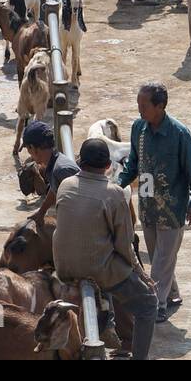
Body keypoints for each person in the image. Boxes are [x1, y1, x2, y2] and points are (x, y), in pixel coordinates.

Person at [53, 137, 157, 360]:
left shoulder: (65, 185)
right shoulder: (115, 193)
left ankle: (115, 331)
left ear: (80, 162)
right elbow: (125, 246)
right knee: (148, 303)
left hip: (63, 266)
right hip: (96, 269)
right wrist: (142, 276)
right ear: (108, 166)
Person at [119, 82, 191, 323]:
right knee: (160, 256)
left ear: (160, 106)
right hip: (147, 207)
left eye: (144, 105)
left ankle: (155, 305)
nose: (139, 110)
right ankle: (173, 293)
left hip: (172, 209)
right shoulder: (139, 128)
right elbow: (133, 163)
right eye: (138, 104)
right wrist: (118, 185)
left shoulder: (180, 134)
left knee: (160, 262)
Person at [21, 121, 80, 224]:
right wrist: (42, 211)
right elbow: (55, 188)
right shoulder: (53, 164)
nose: (30, 155)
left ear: (32, 148)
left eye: (28, 150)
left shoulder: (61, 170)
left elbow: (81, 205)